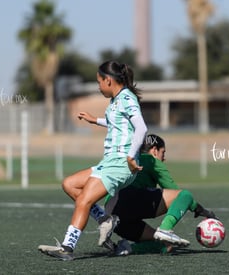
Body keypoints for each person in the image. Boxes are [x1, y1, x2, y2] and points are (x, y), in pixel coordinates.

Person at [38, 60, 148, 261]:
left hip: (121, 163)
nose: (98, 86)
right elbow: (117, 122)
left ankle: (67, 248)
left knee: (84, 200)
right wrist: (95, 120)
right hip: (109, 162)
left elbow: (141, 128)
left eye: (99, 82)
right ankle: (105, 220)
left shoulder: (126, 98)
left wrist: (131, 157)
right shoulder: (116, 100)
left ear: (108, 80)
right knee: (70, 184)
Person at [104, 134, 218, 255]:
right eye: (163, 152)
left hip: (112, 213)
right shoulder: (151, 160)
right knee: (186, 195)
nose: (164, 158)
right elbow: (178, 195)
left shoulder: (127, 159)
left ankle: (126, 248)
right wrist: (200, 209)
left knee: (165, 245)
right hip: (128, 200)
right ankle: (165, 229)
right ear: (154, 150)